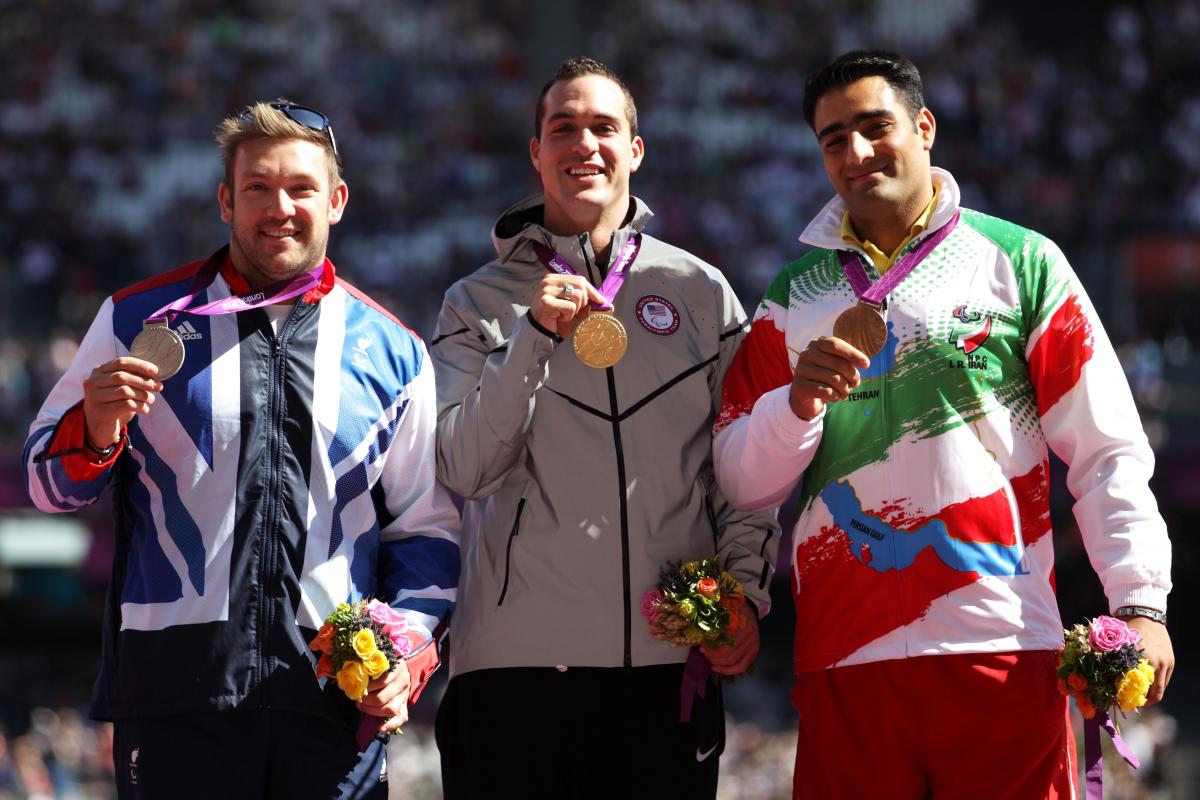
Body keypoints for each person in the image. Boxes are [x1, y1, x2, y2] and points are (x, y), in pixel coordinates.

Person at [713, 49, 1175, 798]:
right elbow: (740, 477)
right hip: (843, 653)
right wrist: (794, 406)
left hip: (999, 639)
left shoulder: (1021, 262)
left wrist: (1140, 601)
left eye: (875, 127)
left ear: (924, 127)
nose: (857, 153)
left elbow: (1107, 448)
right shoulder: (791, 296)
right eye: (835, 140)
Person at [23, 100, 460, 799]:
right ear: (226, 200)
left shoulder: (395, 352)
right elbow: (47, 485)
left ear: (337, 200)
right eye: (257, 187)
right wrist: (98, 429)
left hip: (331, 702)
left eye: (301, 188)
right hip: (173, 700)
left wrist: (406, 647)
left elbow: (426, 526)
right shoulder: (138, 318)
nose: (279, 207)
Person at [430, 56, 780, 798]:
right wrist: (533, 338)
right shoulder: (475, 301)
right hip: (513, 677)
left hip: (665, 672)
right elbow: (464, 468)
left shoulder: (700, 292)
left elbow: (743, 469)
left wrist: (744, 592)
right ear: (536, 153)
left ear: (635, 149)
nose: (584, 144)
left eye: (604, 128)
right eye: (563, 128)